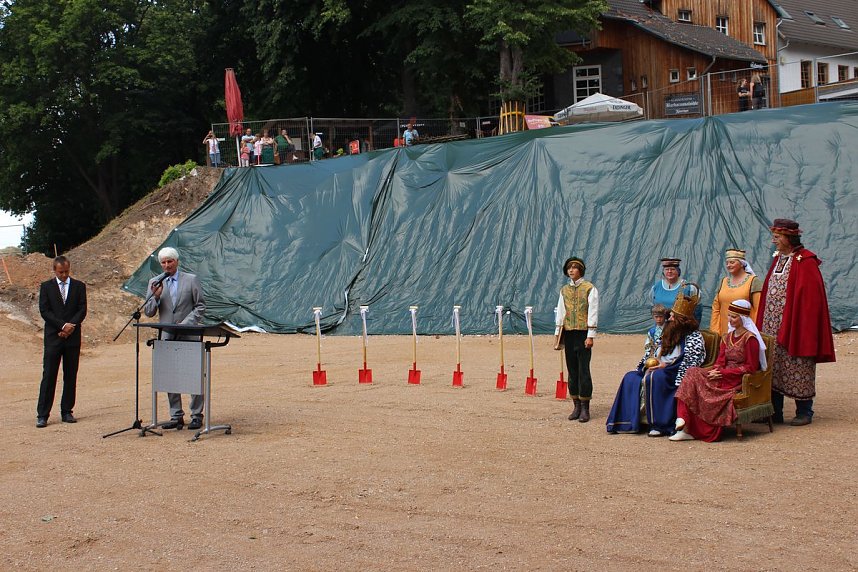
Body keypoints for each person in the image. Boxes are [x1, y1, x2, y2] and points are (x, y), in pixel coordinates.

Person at [756, 218, 835, 426]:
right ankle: (775, 412)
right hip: (772, 326)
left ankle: (804, 411)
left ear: (789, 237)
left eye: (777, 237)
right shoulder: (778, 259)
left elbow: (811, 300)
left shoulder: (806, 261)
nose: (774, 241)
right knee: (773, 367)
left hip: (796, 325)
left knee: (798, 364)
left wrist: (799, 325)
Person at [606, 289, 705, 436]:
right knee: (631, 377)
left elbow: (690, 361)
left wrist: (666, 365)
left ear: (682, 320)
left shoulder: (694, 337)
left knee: (655, 377)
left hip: (673, 373)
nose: (669, 319)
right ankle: (631, 422)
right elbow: (654, 349)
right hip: (660, 366)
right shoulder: (668, 331)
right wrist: (648, 362)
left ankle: (659, 425)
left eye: (673, 317)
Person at [671, 299, 765, 442]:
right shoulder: (727, 337)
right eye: (729, 316)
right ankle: (683, 420)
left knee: (699, 385)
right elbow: (720, 361)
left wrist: (723, 373)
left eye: (734, 317)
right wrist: (716, 370)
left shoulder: (750, 339)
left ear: (743, 318)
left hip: (736, 379)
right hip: (721, 374)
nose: (731, 320)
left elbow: (750, 368)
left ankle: (694, 430)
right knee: (691, 372)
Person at [143, 247, 206, 430]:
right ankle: (176, 415)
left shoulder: (191, 280)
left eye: (170, 261)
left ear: (177, 261)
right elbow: (149, 312)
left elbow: (201, 306)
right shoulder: (154, 282)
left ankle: (196, 415)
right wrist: (154, 296)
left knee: (194, 373)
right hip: (167, 335)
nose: (167, 265)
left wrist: (186, 323)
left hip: (189, 333)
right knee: (170, 375)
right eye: (163, 262)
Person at [36, 256, 87, 427]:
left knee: (70, 375)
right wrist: (62, 325)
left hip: (72, 338)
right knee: (49, 375)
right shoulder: (46, 287)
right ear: (54, 270)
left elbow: (82, 309)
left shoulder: (79, 286)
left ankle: (67, 411)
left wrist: (71, 326)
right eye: (61, 272)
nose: (64, 275)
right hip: (54, 337)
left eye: (66, 271)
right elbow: (44, 310)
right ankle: (43, 414)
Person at [553, 257, 599, 423]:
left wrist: (590, 336)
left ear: (581, 270)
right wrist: (558, 334)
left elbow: (593, 311)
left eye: (574, 268)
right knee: (572, 370)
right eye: (569, 268)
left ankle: (585, 407)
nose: (571, 270)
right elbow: (561, 311)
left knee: (583, 371)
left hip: (583, 333)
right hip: (569, 333)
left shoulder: (589, 288)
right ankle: (576, 406)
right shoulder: (564, 290)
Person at [709, 248, 761, 336]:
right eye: (727, 263)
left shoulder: (753, 281)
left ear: (741, 264)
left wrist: (751, 333)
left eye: (732, 262)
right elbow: (716, 308)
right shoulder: (723, 281)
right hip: (723, 333)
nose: (729, 265)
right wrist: (715, 331)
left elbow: (758, 309)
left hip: (743, 334)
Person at [650, 257, 702, 323]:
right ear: (663, 272)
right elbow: (653, 306)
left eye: (672, 269)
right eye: (666, 269)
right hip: (661, 328)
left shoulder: (690, 288)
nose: (669, 271)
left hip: (681, 327)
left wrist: (694, 327)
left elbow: (697, 309)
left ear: (678, 271)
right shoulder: (656, 287)